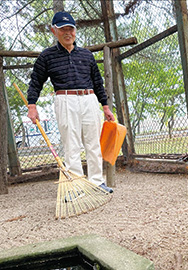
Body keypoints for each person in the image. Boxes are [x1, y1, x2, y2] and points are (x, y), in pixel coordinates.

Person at [27, 11, 114, 193]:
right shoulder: (47, 56)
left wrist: (105, 107)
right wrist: (32, 106)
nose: (68, 33)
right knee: (71, 145)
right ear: (54, 31)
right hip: (65, 100)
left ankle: (97, 182)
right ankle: (76, 187)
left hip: (89, 99)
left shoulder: (87, 55)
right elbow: (36, 81)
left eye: (71, 29)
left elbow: (98, 82)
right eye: (63, 29)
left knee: (93, 143)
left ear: (75, 31)